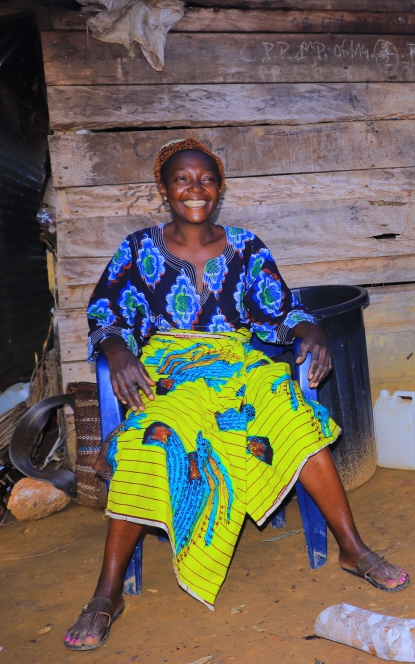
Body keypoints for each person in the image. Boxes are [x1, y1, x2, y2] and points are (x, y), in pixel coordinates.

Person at [64, 138, 409, 651]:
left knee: (293, 413)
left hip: (238, 363)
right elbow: (105, 315)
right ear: (164, 190)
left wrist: (308, 329)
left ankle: (352, 549)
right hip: (171, 367)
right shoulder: (136, 250)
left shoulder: (247, 246)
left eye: (205, 179)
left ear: (219, 189)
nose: (194, 188)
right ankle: (107, 592)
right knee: (147, 439)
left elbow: (280, 308)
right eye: (182, 179)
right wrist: (115, 351)